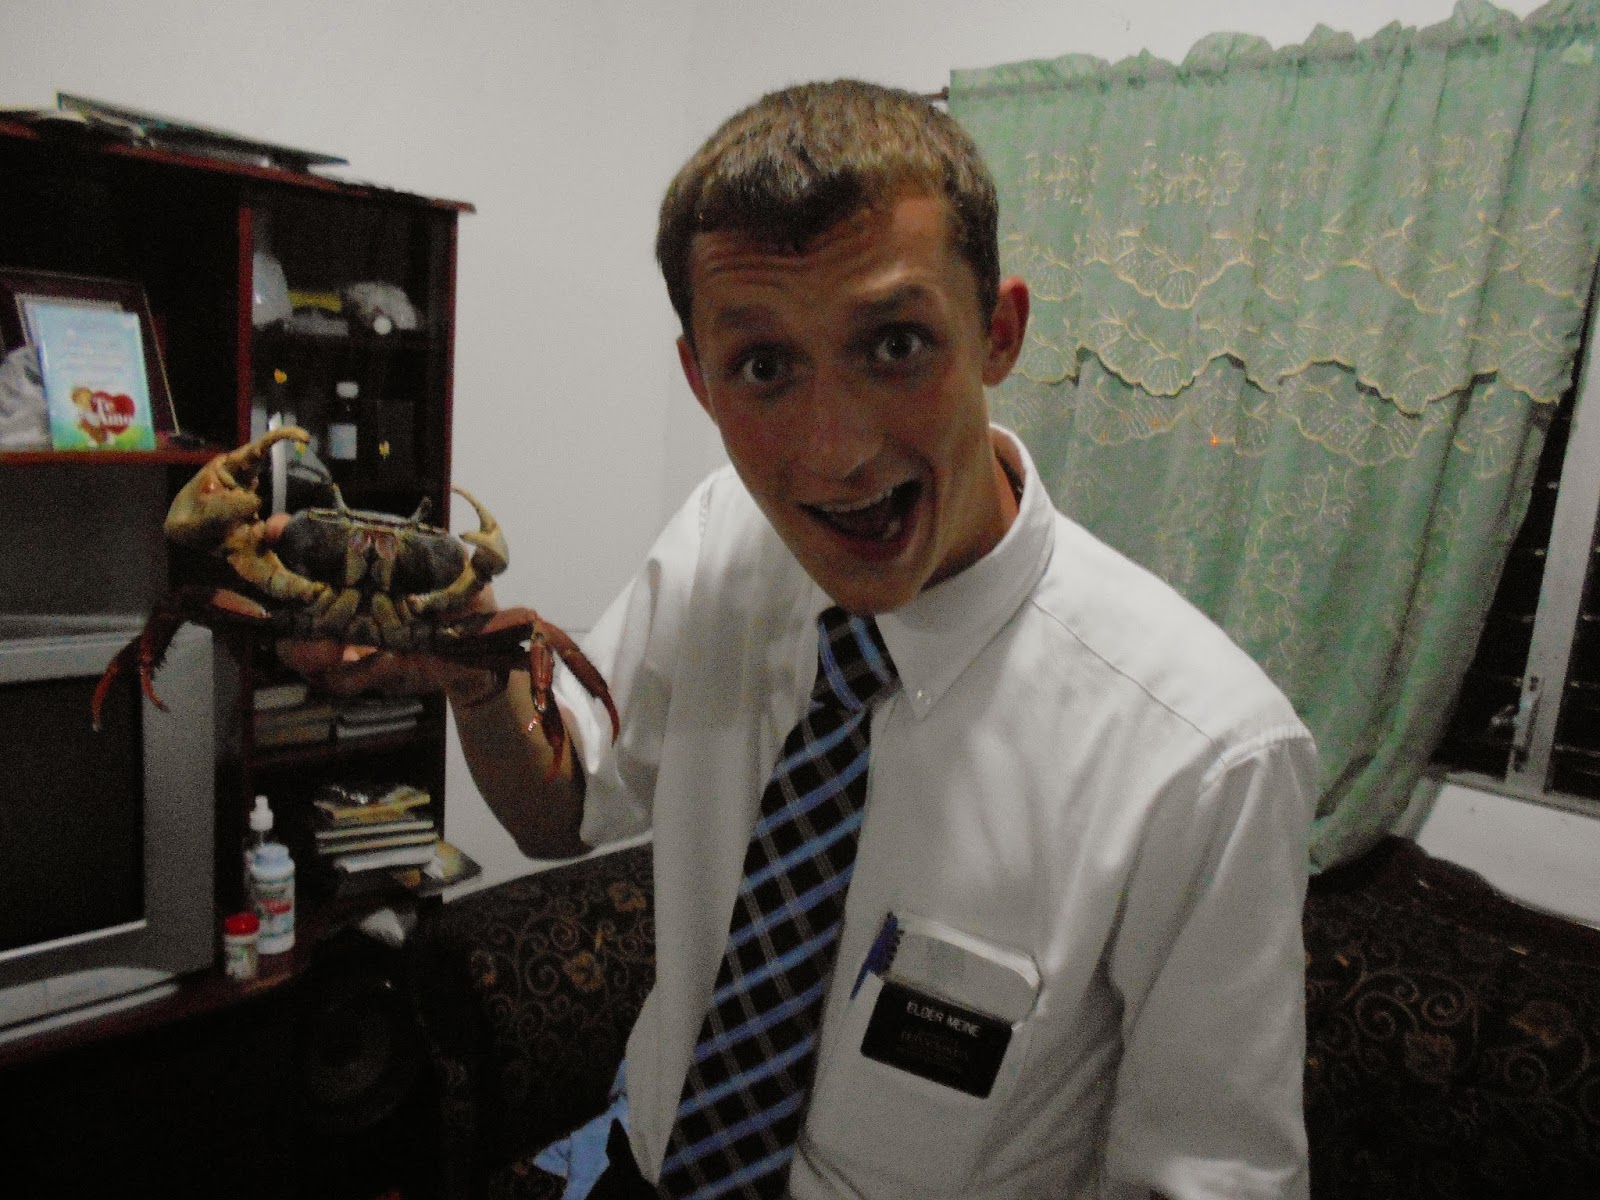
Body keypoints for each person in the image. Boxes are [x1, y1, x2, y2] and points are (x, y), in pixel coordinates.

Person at [296, 80, 1317, 1199]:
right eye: (765, 367)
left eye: (896, 344)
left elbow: (1206, 1177)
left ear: (999, 333)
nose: (835, 452)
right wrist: (476, 685)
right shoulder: (723, 544)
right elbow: (562, 808)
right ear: (700, 380)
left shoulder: (1207, 756)